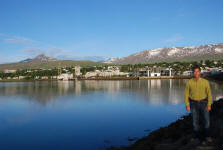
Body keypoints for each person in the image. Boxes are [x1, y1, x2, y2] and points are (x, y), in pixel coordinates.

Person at [184, 66, 212, 144]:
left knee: (206, 120)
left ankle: (207, 136)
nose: (196, 73)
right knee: (195, 121)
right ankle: (196, 136)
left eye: (197, 71)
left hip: (204, 103)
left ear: (200, 72)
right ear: (193, 73)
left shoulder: (205, 82)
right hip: (193, 103)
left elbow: (209, 94)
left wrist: (209, 104)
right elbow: (186, 94)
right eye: (195, 71)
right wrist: (187, 104)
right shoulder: (189, 82)